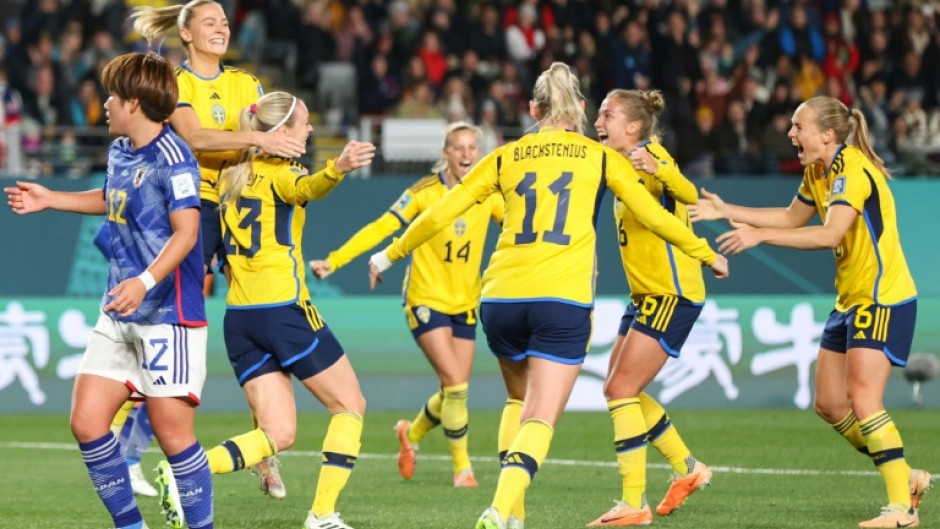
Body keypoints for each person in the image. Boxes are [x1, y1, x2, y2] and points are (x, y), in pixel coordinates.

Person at [367, 62, 729, 529]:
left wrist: (387, 256)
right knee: (539, 415)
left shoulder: (505, 154)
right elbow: (659, 217)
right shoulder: (601, 158)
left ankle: (515, 518)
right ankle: (499, 509)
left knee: (515, 401)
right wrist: (705, 253)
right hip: (562, 300)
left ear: (533, 108)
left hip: (499, 300)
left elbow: (442, 212)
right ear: (579, 107)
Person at [689, 95, 930, 528]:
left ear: (828, 135)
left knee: (864, 399)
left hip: (882, 298)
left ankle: (901, 510)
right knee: (830, 404)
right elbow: (790, 217)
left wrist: (758, 235)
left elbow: (830, 233)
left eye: (798, 126)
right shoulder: (818, 171)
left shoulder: (851, 171)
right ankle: (904, 474)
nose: (790, 133)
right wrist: (727, 211)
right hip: (849, 299)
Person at [5, 51, 213, 529]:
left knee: (172, 435)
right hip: (119, 309)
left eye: (114, 95)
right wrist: (50, 198)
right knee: (86, 423)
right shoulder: (121, 149)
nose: (107, 102)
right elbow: (112, 198)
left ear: (135, 103)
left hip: (168, 314)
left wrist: (143, 282)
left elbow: (186, 233)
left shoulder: (176, 159)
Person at [130, 0, 303, 499]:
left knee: (260, 320)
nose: (222, 29)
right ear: (185, 34)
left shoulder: (247, 83)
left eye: (225, 22)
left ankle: (265, 448)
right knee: (166, 321)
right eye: (210, 22)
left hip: (241, 205)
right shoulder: (176, 82)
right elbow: (195, 137)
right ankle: (129, 438)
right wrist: (255, 137)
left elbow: (269, 132)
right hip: (193, 208)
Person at [194, 91, 375, 529]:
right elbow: (306, 188)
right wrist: (339, 168)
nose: (310, 129)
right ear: (281, 133)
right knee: (350, 405)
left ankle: (186, 471)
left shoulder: (229, 174)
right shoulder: (282, 173)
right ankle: (323, 514)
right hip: (283, 309)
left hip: (238, 318)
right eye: (304, 123)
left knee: (278, 434)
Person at [310, 122, 503, 488]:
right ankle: (463, 468)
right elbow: (382, 226)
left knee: (453, 388)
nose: (466, 154)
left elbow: (517, 225)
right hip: (424, 299)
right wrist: (335, 260)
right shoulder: (423, 193)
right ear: (444, 153)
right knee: (457, 387)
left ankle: (410, 435)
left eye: (472, 148)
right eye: (458, 147)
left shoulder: (486, 195)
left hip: (465, 301)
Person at [587, 88, 716, 527]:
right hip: (645, 295)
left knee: (621, 390)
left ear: (634, 127)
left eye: (608, 114)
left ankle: (632, 503)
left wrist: (658, 166)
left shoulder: (651, 154)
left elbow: (686, 191)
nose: (598, 119)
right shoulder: (618, 163)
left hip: (670, 293)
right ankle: (687, 468)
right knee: (617, 389)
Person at [95, 221, 160, 498]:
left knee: (158, 393)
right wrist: (135, 271)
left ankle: (128, 461)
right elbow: (102, 235)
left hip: (165, 302)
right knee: (153, 391)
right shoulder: (140, 190)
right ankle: (122, 458)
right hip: (138, 303)